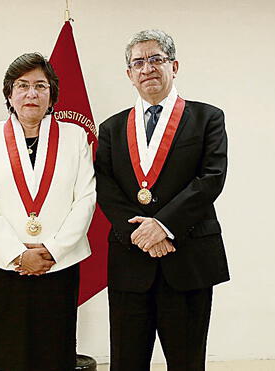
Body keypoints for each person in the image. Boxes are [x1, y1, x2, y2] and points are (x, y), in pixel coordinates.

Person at [95, 29, 230, 370]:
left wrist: (163, 226)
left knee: (186, 362)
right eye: (138, 62)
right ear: (129, 74)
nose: (148, 68)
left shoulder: (207, 118)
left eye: (156, 59)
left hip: (187, 259)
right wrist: (141, 234)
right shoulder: (111, 128)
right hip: (130, 260)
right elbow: (105, 186)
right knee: (126, 362)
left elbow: (211, 179)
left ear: (174, 65)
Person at [0, 53, 96, 371]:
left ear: (52, 93)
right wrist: (17, 254)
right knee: (4, 355)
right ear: (9, 93)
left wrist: (52, 250)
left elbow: (85, 198)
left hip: (58, 264)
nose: (31, 94)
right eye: (22, 85)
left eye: (40, 85)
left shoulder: (75, 136)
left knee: (53, 354)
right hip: (4, 265)